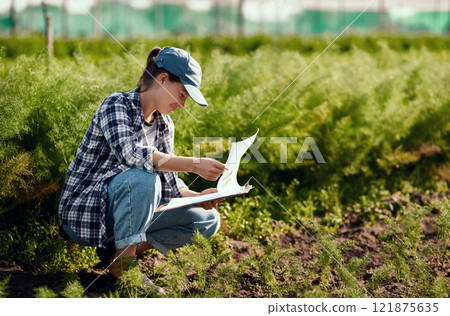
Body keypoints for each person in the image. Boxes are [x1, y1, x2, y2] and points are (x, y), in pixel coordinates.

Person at [58, 47, 227, 294]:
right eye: (182, 95)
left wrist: (202, 198)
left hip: (125, 212)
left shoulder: (164, 124)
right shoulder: (116, 105)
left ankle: (117, 252)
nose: (182, 105)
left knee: (207, 220)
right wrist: (194, 164)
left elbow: (170, 187)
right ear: (162, 79)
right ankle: (125, 268)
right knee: (144, 178)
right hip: (85, 214)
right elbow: (133, 155)